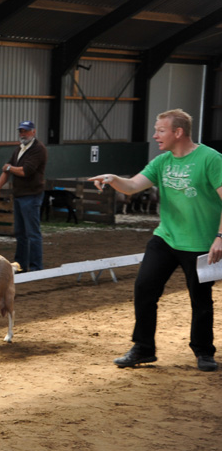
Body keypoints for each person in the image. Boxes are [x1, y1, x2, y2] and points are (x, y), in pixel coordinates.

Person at [91, 108, 222, 373]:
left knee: (200, 299)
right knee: (144, 288)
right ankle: (143, 348)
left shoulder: (211, 159)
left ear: (178, 132)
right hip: (166, 238)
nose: (155, 135)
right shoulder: (162, 162)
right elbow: (131, 186)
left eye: (161, 130)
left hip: (201, 243)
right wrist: (113, 179)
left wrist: (220, 237)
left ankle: (203, 351)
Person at [0, 120, 47, 272]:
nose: (23, 134)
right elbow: (7, 171)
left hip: (31, 195)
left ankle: (36, 267)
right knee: (21, 233)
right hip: (20, 195)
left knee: (32, 233)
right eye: (21, 131)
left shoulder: (38, 149)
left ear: (33, 132)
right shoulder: (19, 149)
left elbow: (24, 171)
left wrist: (9, 167)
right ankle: (21, 265)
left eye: (26, 131)